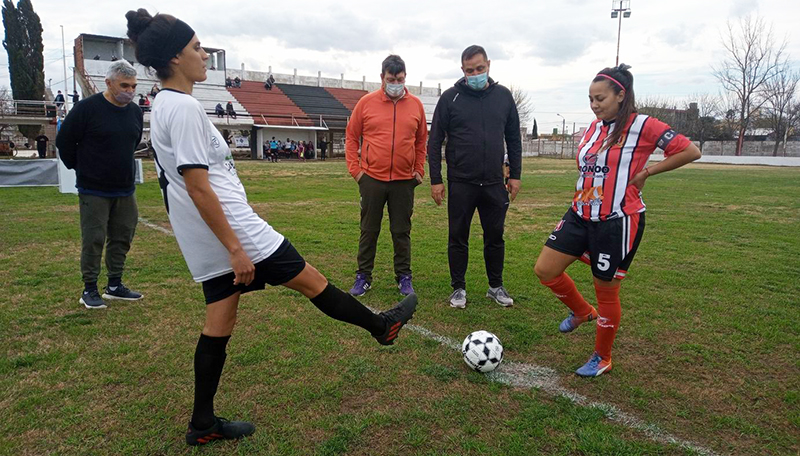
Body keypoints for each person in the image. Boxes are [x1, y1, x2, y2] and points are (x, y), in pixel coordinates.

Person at [125, 8, 417, 446]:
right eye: (196, 48)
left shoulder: (166, 104)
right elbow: (198, 186)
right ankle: (381, 327)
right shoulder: (181, 107)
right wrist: (235, 249)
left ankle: (202, 423)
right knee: (312, 280)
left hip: (207, 233)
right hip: (233, 231)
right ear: (173, 59)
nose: (204, 54)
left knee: (219, 321)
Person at [533, 64, 702, 377]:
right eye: (591, 99)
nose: (595, 105)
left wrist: (648, 171)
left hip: (616, 220)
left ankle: (602, 357)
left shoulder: (644, 125)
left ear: (621, 95)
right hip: (580, 211)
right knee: (545, 269)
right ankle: (582, 312)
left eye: (600, 98)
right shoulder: (594, 128)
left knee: (606, 290)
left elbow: (690, 151)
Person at [427, 45, 522, 309]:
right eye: (470, 70)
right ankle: (458, 288)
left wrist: (515, 174)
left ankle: (496, 286)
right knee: (458, 236)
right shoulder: (450, 98)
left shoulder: (503, 97)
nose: (476, 74)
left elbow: (514, 138)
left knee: (495, 236)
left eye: (480, 68)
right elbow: (434, 142)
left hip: (493, 183)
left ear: (488, 65)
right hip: (461, 182)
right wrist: (436, 179)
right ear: (462, 71)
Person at [55, 59, 144, 310]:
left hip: (125, 188)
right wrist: (81, 169)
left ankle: (115, 286)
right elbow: (64, 142)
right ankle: (90, 289)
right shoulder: (87, 109)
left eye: (133, 86)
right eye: (124, 85)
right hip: (93, 189)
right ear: (108, 83)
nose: (130, 90)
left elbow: (133, 141)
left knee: (122, 237)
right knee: (93, 239)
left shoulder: (136, 111)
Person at [345, 55, 427, 297]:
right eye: (391, 79)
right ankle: (363, 276)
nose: (396, 83)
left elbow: (422, 140)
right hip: (371, 179)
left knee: (401, 231)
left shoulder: (416, 105)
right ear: (382, 78)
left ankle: (404, 277)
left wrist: (419, 169)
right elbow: (351, 137)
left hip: (404, 181)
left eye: (400, 79)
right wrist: (356, 171)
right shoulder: (366, 103)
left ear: (405, 78)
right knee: (369, 230)